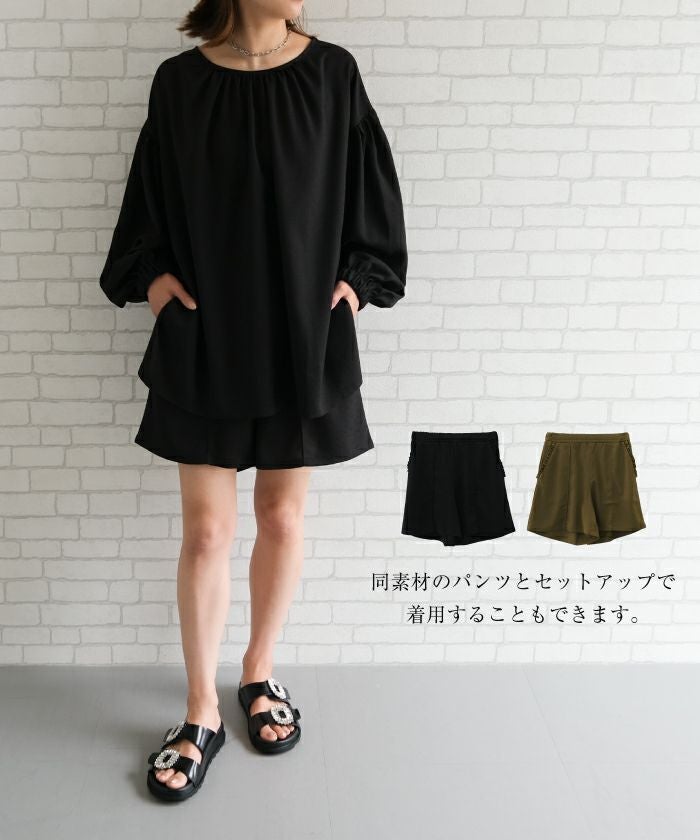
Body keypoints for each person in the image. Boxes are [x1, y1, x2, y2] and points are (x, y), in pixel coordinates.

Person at [98, 0, 407, 802]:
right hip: (205, 333)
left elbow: (370, 195)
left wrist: (358, 286)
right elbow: (147, 198)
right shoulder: (180, 84)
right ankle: (199, 711)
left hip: (302, 336)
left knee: (282, 518)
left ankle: (258, 674)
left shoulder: (332, 74)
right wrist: (152, 280)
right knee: (207, 533)